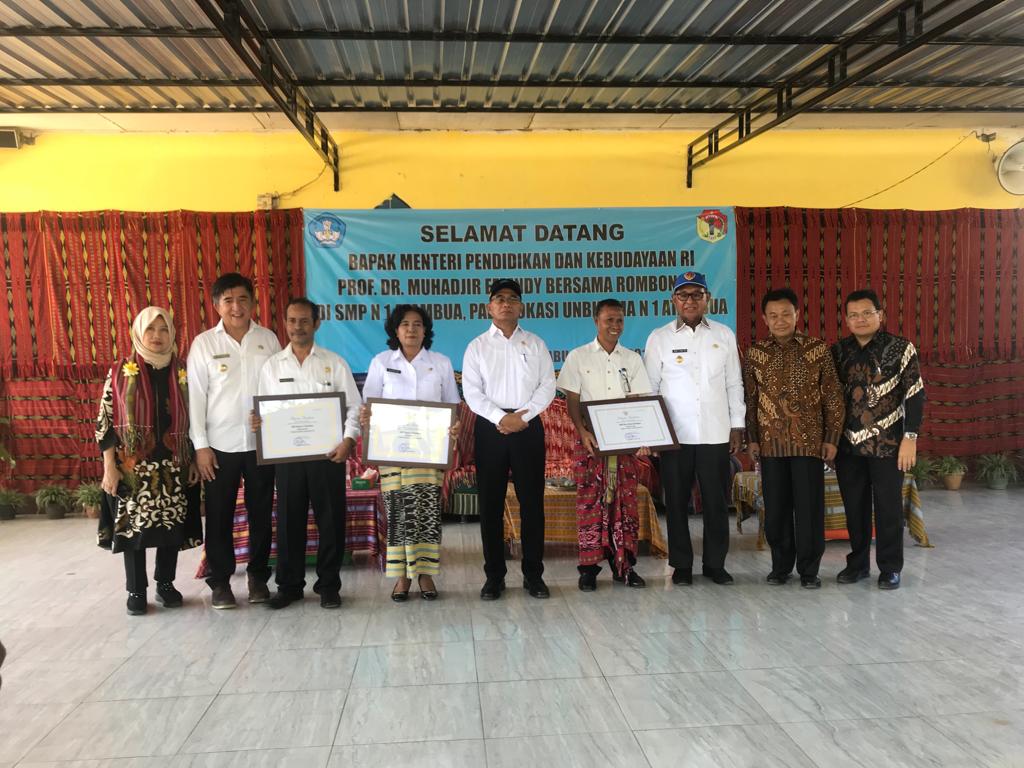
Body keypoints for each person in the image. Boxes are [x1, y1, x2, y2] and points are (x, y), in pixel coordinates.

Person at [256, 297, 361, 609]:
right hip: (287, 458)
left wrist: (348, 440)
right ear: (285, 324)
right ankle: (289, 586)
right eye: (291, 320)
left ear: (317, 324)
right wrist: (257, 421)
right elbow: (263, 409)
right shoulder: (272, 366)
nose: (297, 327)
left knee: (331, 521)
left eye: (304, 320)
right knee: (289, 521)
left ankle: (329, 585)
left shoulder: (334, 363)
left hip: (328, 456)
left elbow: (354, 408)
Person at [96, 307, 202, 615]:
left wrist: (193, 458)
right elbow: (105, 421)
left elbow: (196, 420)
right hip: (132, 466)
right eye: (150, 330)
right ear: (138, 333)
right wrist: (109, 467)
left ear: (172, 334)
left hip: (173, 464)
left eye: (164, 330)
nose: (157, 336)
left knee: (170, 526)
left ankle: (165, 584)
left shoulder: (183, 371)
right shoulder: (120, 371)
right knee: (134, 530)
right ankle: (136, 590)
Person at [644, 271, 745, 586]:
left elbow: (733, 383)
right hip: (675, 437)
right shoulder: (659, 338)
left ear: (707, 299)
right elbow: (651, 389)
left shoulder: (724, 335)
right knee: (675, 502)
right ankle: (682, 565)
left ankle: (715, 564)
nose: (690, 301)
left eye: (696, 295)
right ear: (673, 300)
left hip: (715, 433)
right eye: (683, 295)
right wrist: (654, 434)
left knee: (716, 502)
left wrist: (737, 425)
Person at [187, 273, 281, 609]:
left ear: (253, 303)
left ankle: (258, 577)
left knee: (260, 513)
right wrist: (200, 445)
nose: (236, 307)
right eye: (228, 300)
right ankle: (221, 582)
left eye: (242, 299)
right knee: (218, 514)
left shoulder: (268, 339)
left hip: (261, 444)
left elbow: (279, 389)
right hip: (218, 446)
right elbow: (196, 397)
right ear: (216, 305)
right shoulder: (204, 345)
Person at [743, 287, 845, 589]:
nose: (780, 320)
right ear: (764, 318)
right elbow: (751, 399)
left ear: (797, 314)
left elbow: (834, 398)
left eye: (786, 313)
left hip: (809, 443)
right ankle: (780, 567)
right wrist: (753, 438)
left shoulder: (817, 350)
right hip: (771, 444)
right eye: (773, 315)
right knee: (776, 509)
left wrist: (832, 437)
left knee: (809, 508)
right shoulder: (756, 354)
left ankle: (810, 570)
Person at [462, 278, 556, 600]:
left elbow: (547, 386)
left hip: (528, 427)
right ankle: (494, 577)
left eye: (512, 298)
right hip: (491, 428)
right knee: (489, 504)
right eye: (499, 298)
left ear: (521, 306)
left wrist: (522, 417)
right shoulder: (477, 346)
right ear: (490, 306)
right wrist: (502, 418)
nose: (506, 303)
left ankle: (533, 575)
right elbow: (472, 393)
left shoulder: (536, 344)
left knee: (532, 503)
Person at [361, 305, 461, 602]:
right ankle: (402, 576)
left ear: (425, 330)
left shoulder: (440, 362)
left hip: (429, 452)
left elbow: (452, 405)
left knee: (426, 512)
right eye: (405, 324)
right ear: (395, 330)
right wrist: (367, 419)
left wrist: (453, 429)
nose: (411, 330)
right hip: (391, 450)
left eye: (418, 324)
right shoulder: (381, 362)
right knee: (398, 512)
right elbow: (369, 405)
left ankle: (426, 574)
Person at [831, 288, 925, 590]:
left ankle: (889, 568)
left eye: (867, 313)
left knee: (888, 508)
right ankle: (857, 564)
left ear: (880, 314)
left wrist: (910, 437)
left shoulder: (900, 348)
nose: (860, 319)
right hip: (848, 445)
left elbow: (915, 394)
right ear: (846, 319)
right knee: (854, 507)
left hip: (889, 445)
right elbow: (831, 399)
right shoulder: (838, 351)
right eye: (854, 315)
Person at [558, 298, 652, 591]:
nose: (615, 326)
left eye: (619, 320)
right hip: (589, 441)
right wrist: (582, 431)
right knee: (590, 503)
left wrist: (640, 438)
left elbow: (638, 402)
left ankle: (624, 566)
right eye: (609, 320)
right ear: (596, 321)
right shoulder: (578, 356)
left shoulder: (632, 359)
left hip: (623, 442)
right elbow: (572, 400)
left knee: (625, 504)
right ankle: (588, 568)